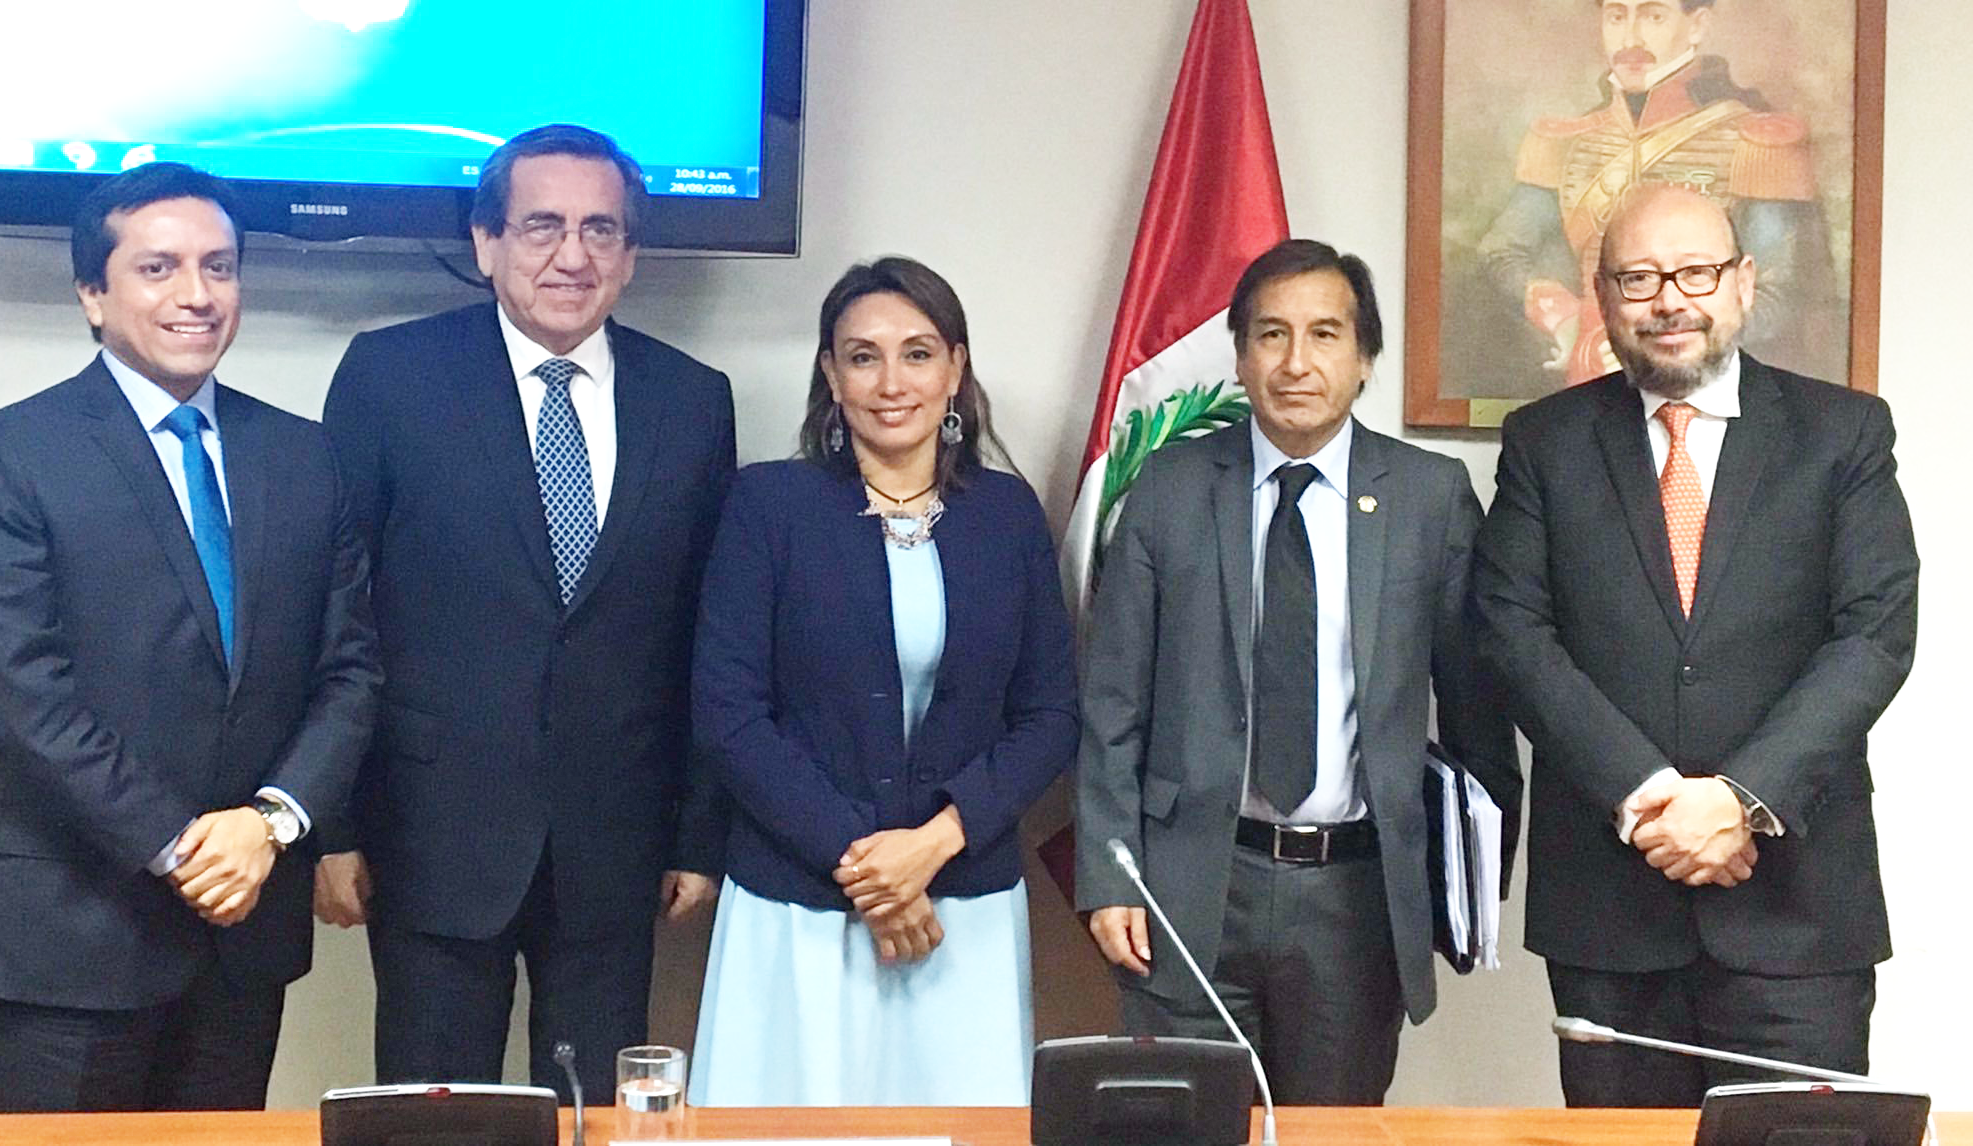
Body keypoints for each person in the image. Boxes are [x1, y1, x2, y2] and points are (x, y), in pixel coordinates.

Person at [0, 163, 380, 1112]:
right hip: (67, 938)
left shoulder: (302, 456)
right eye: (159, 268)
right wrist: (183, 850)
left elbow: (349, 671)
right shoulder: (10, 452)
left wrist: (273, 824)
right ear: (92, 294)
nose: (197, 295)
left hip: (243, 936)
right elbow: (23, 703)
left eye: (220, 267)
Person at [1473, 184, 1918, 1106]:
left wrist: (1742, 800)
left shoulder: (1844, 434)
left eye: (1696, 271)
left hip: (1797, 913)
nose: (1669, 298)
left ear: (1744, 283)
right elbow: (1511, 633)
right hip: (1611, 913)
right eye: (1638, 277)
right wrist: (1650, 797)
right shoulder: (1544, 443)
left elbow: (1874, 634)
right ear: (1602, 298)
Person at [317, 124, 736, 1101]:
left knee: (599, 1112)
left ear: (630, 256)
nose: (571, 254)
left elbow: (704, 635)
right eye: (541, 225)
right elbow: (333, 612)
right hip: (427, 837)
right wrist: (330, 826)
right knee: (430, 1120)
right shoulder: (389, 378)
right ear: (486, 243)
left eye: (600, 229)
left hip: (615, 845)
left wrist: (696, 834)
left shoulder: (693, 401)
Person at [1074, 238, 1521, 1104]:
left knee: (1334, 1131)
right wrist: (1107, 873)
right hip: (1189, 881)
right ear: (1239, 357)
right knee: (1184, 1127)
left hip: (1354, 896)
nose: (1296, 362)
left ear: (1363, 359)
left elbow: (1478, 710)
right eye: (1270, 335)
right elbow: (1112, 701)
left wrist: (1465, 886)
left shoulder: (1430, 499)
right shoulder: (1169, 486)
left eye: (1324, 335)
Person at [686, 256, 1076, 1106]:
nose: (890, 381)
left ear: (957, 369)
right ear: (830, 374)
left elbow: (1049, 715)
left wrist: (931, 845)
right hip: (798, 905)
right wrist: (867, 869)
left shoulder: (1008, 515)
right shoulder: (767, 505)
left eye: (918, 353)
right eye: (862, 356)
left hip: (961, 908)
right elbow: (728, 716)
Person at [1476, 0, 1842, 387]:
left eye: (1653, 15)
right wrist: (1566, 317)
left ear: (1697, 25)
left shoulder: (1760, 143)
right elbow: (1501, 251)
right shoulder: (1562, 143)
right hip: (1588, 384)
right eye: (1617, 16)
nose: (1631, 37)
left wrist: (1665, 342)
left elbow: (1782, 290)